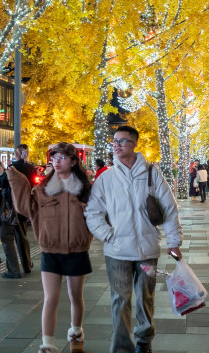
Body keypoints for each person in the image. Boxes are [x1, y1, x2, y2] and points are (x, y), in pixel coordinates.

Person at [85, 125, 182, 353]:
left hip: (147, 250)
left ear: (134, 144)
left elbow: (168, 208)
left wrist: (174, 241)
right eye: (115, 142)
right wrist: (108, 235)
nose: (117, 145)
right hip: (117, 251)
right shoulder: (106, 178)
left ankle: (143, 340)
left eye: (122, 141)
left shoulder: (151, 173)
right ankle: (121, 347)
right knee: (120, 298)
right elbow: (93, 212)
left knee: (145, 298)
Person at [8, 142, 92, 353]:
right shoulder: (43, 188)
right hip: (50, 251)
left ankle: (76, 330)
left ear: (74, 161)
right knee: (50, 297)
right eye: (54, 157)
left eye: (62, 157)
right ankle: (47, 344)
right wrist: (14, 177)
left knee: (75, 295)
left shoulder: (85, 189)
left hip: (77, 250)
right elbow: (25, 207)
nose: (57, 161)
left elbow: (100, 214)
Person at [7, 143, 38, 273]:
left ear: (17, 153)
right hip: (26, 203)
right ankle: (27, 262)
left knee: (15, 236)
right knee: (22, 234)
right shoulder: (31, 167)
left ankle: (24, 264)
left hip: (13, 203)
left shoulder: (13, 167)